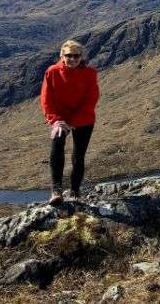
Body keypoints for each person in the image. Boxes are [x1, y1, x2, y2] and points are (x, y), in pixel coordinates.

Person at [40, 39, 99, 205]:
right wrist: (56, 121)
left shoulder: (90, 73)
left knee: (78, 155)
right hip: (60, 119)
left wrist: (73, 121)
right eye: (68, 55)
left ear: (81, 57)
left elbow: (91, 99)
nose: (72, 59)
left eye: (76, 56)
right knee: (57, 145)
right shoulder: (52, 72)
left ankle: (75, 192)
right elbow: (46, 99)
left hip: (83, 118)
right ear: (61, 55)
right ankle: (56, 191)